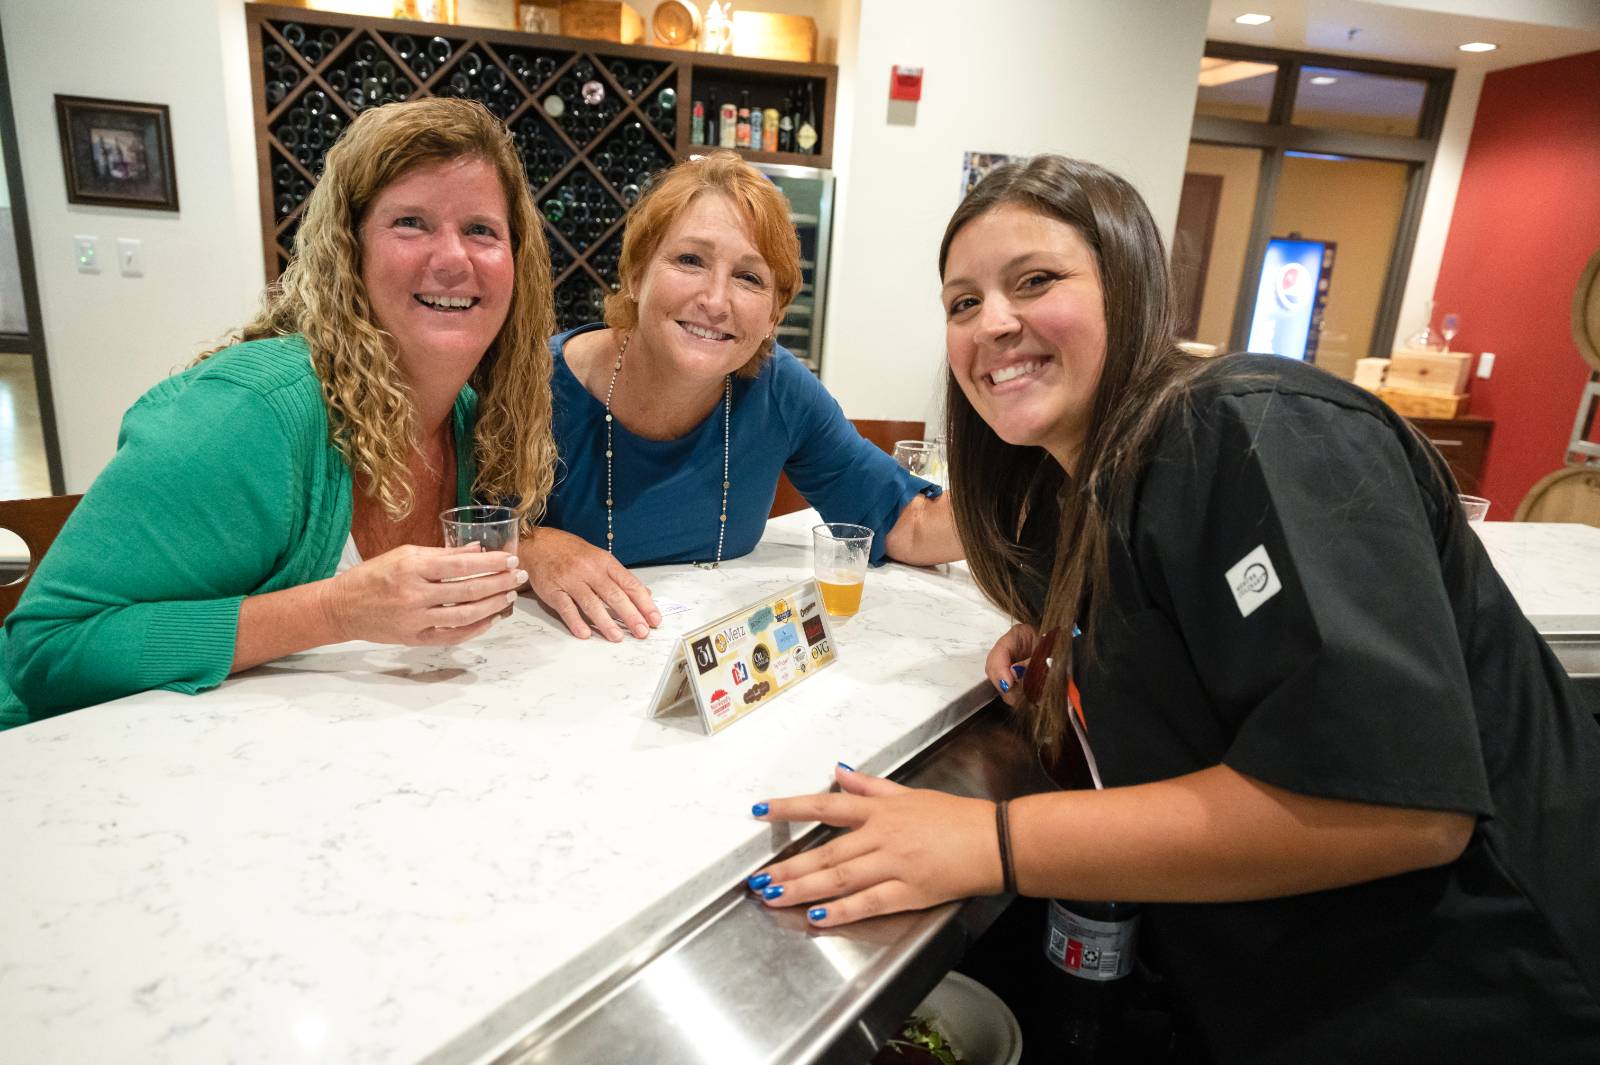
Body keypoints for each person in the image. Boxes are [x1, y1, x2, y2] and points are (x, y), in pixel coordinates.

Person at [748, 156, 1600, 1062]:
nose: (992, 323)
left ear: (1128, 282)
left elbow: (1395, 804)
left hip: (1489, 1001)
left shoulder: (1258, 427)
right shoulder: (1083, 497)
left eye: (1035, 281)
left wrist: (988, 839)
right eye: (963, 302)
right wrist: (1085, 632)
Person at [1, 99, 556, 728]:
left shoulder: (470, 419)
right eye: (410, 222)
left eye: (481, 229)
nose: (454, 258)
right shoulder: (247, 413)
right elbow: (46, 650)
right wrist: (335, 610)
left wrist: (543, 545)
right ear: (350, 252)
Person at [524, 150, 961, 642]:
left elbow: (908, 522)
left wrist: (1052, 492)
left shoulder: (779, 390)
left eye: (749, 278)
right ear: (635, 275)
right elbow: (436, 534)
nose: (715, 301)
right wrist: (531, 546)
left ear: (774, 314)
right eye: (690, 260)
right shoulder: (533, 386)